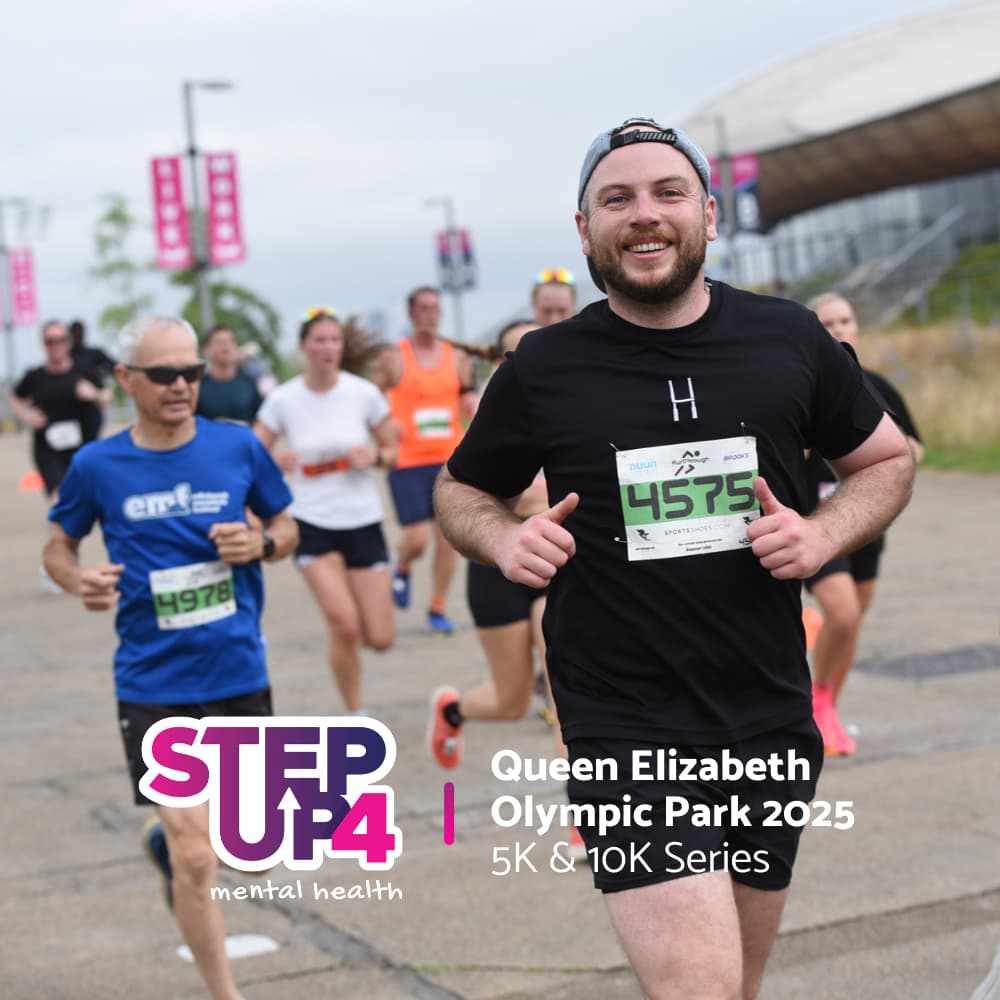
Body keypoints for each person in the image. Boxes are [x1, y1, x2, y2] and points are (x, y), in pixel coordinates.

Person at [433, 117, 914, 999]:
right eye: (616, 199)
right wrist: (505, 537)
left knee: (738, 981)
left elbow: (888, 459)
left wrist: (821, 535)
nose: (642, 214)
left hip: (767, 713)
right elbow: (459, 492)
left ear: (709, 215)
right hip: (626, 724)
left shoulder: (790, 338)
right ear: (585, 230)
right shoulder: (544, 366)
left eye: (666, 193)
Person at [43, 314, 298, 1000]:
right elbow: (58, 547)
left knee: (258, 856)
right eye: (164, 375)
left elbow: (286, 525)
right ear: (126, 381)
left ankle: (165, 846)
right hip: (153, 683)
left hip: (239, 670)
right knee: (196, 856)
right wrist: (78, 580)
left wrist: (264, 546)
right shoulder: (98, 465)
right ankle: (225, 994)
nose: (182, 384)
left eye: (189, 371)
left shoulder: (238, 448)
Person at [254, 307, 396, 714]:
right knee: (344, 624)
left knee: (381, 637)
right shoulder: (282, 399)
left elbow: (392, 451)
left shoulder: (363, 393)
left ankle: (374, 612)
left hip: (362, 518)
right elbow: (250, 454)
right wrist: (272, 463)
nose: (328, 348)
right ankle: (356, 713)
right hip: (311, 519)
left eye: (334, 340)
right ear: (303, 348)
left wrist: (372, 457)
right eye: (319, 340)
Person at [804, 292, 923, 756]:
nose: (837, 330)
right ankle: (813, 703)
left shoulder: (877, 387)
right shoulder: (799, 386)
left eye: (845, 320)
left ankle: (825, 703)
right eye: (826, 323)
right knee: (843, 613)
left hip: (867, 524)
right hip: (816, 520)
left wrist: (895, 462)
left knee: (851, 625)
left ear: (856, 326)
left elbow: (914, 446)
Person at [375, 286, 477, 635]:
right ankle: (402, 563)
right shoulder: (394, 357)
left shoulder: (457, 357)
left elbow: (467, 393)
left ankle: (437, 605)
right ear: (411, 314)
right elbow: (370, 399)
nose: (430, 314)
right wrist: (385, 421)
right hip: (407, 460)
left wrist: (471, 403)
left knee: (447, 539)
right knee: (417, 539)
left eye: (435, 308)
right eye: (423, 309)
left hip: (449, 460)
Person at [11, 320, 111, 500]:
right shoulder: (35, 377)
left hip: (83, 448)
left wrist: (94, 394)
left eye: (61, 340)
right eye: (50, 341)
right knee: (59, 500)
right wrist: (26, 415)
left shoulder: (84, 371)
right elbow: (15, 397)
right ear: (43, 345)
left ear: (69, 342)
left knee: (85, 500)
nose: (56, 345)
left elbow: (106, 398)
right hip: (49, 449)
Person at [195, 325, 264, 424]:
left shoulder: (249, 385)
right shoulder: (198, 387)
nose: (225, 346)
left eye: (229, 341)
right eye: (219, 342)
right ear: (206, 350)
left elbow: (260, 422)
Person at [69, 319, 117, 440]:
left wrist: (100, 372)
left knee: (91, 439)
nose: (77, 335)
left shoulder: (94, 354)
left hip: (93, 406)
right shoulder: (66, 357)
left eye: (79, 332)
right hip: (71, 406)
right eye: (75, 332)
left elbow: (114, 366)